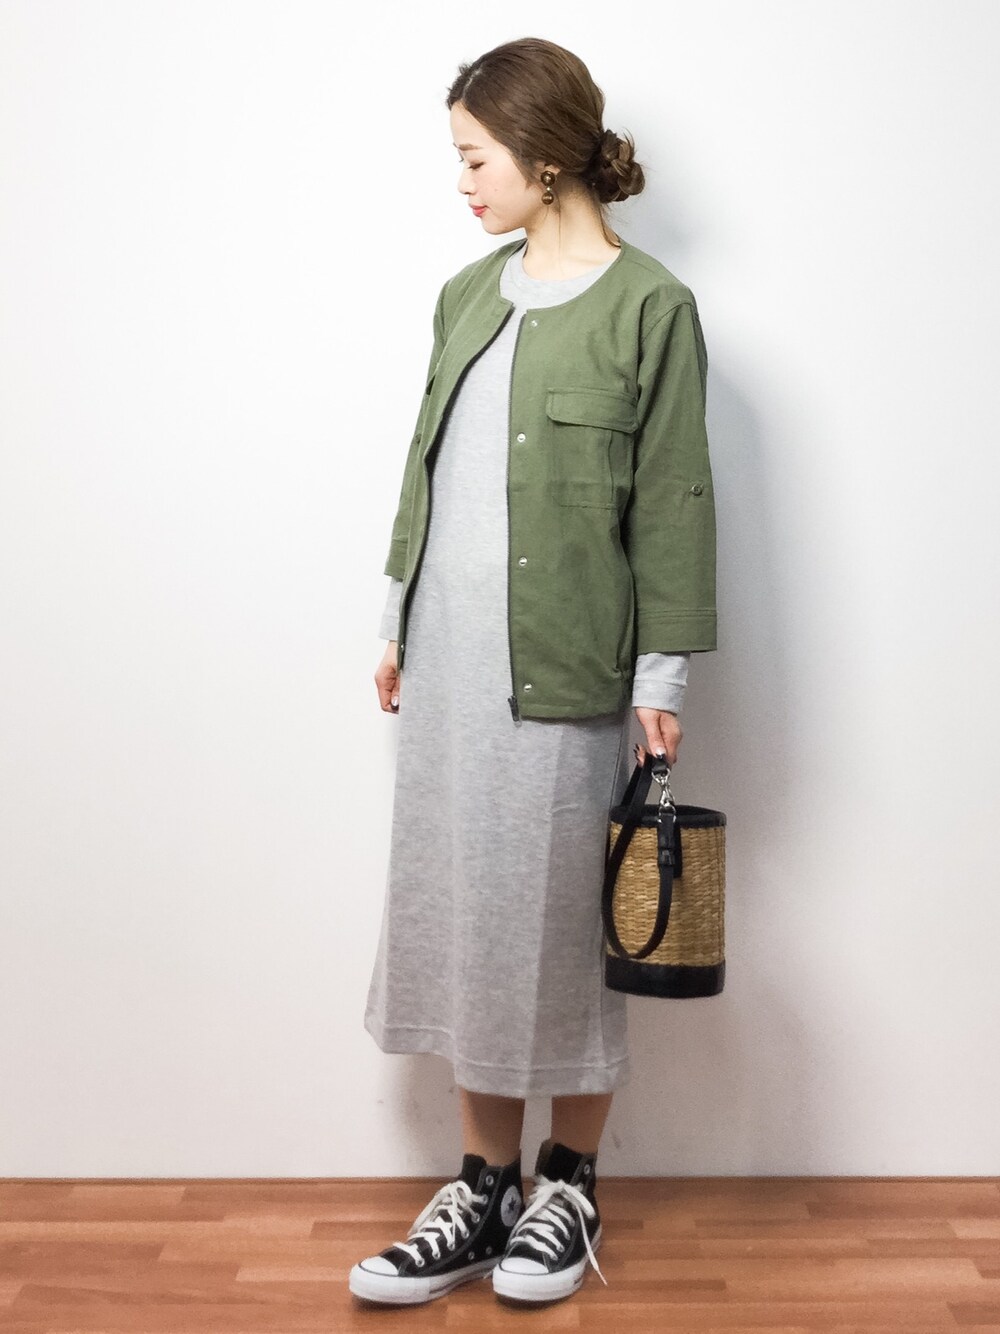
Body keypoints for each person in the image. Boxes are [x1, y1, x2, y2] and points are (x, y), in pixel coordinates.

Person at [349, 36, 718, 1309]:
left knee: (564, 924)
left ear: (543, 154)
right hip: (449, 668)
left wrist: (661, 679)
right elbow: (424, 464)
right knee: (464, 910)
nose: (460, 181)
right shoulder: (465, 294)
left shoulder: (651, 307)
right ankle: (481, 1184)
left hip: (570, 672)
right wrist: (394, 618)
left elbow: (671, 501)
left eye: (474, 157)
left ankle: (569, 1182)